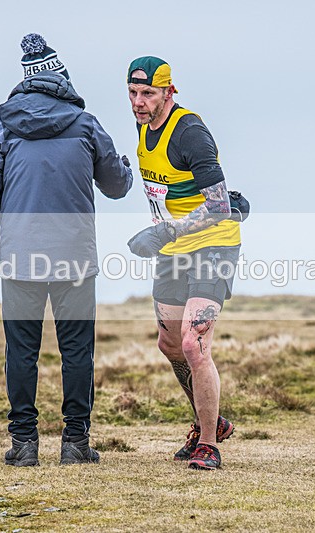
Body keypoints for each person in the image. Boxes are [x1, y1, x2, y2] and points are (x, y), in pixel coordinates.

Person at [0, 34, 133, 467]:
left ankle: (23, 445)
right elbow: (115, 187)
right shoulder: (85, 124)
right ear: (60, 77)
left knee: (20, 351)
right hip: (75, 256)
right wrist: (126, 169)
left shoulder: (2, 127)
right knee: (77, 349)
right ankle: (75, 443)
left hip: (19, 257)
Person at [126, 56, 241, 470]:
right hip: (173, 253)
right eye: (133, 93)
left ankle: (208, 443)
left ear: (169, 91)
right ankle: (213, 420)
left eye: (148, 94)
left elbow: (220, 205)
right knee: (170, 343)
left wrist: (165, 232)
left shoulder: (189, 130)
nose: (139, 102)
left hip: (214, 246)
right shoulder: (143, 127)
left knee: (194, 342)